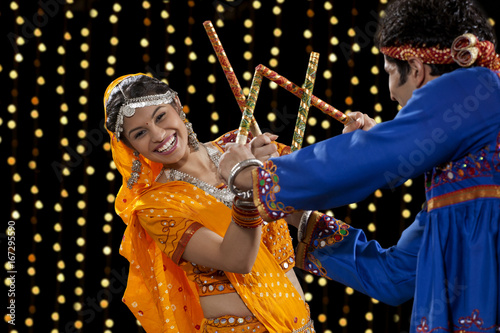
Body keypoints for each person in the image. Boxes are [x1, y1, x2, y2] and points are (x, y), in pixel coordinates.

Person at [218, 0, 500, 331]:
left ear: (417, 67)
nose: (392, 95)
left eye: (391, 75)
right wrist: (298, 215)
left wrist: (253, 175)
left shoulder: (478, 87)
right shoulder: (457, 197)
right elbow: (393, 277)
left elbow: (384, 156)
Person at [103, 73, 316, 332]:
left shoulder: (238, 146)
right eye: (140, 133)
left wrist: (357, 142)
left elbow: (305, 210)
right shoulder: (155, 205)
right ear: (131, 147)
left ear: (177, 105)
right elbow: (237, 259)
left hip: (300, 324)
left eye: (160, 117)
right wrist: (246, 188)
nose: (158, 135)